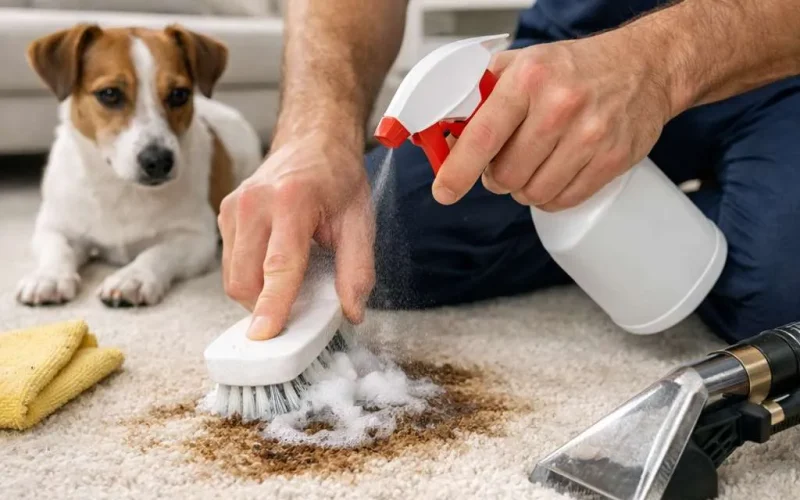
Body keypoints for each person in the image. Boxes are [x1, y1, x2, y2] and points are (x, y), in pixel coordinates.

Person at [217, 0, 800, 345]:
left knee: (776, 299)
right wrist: (313, 134)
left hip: (777, 57)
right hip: (579, 43)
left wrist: (659, 63)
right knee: (370, 241)